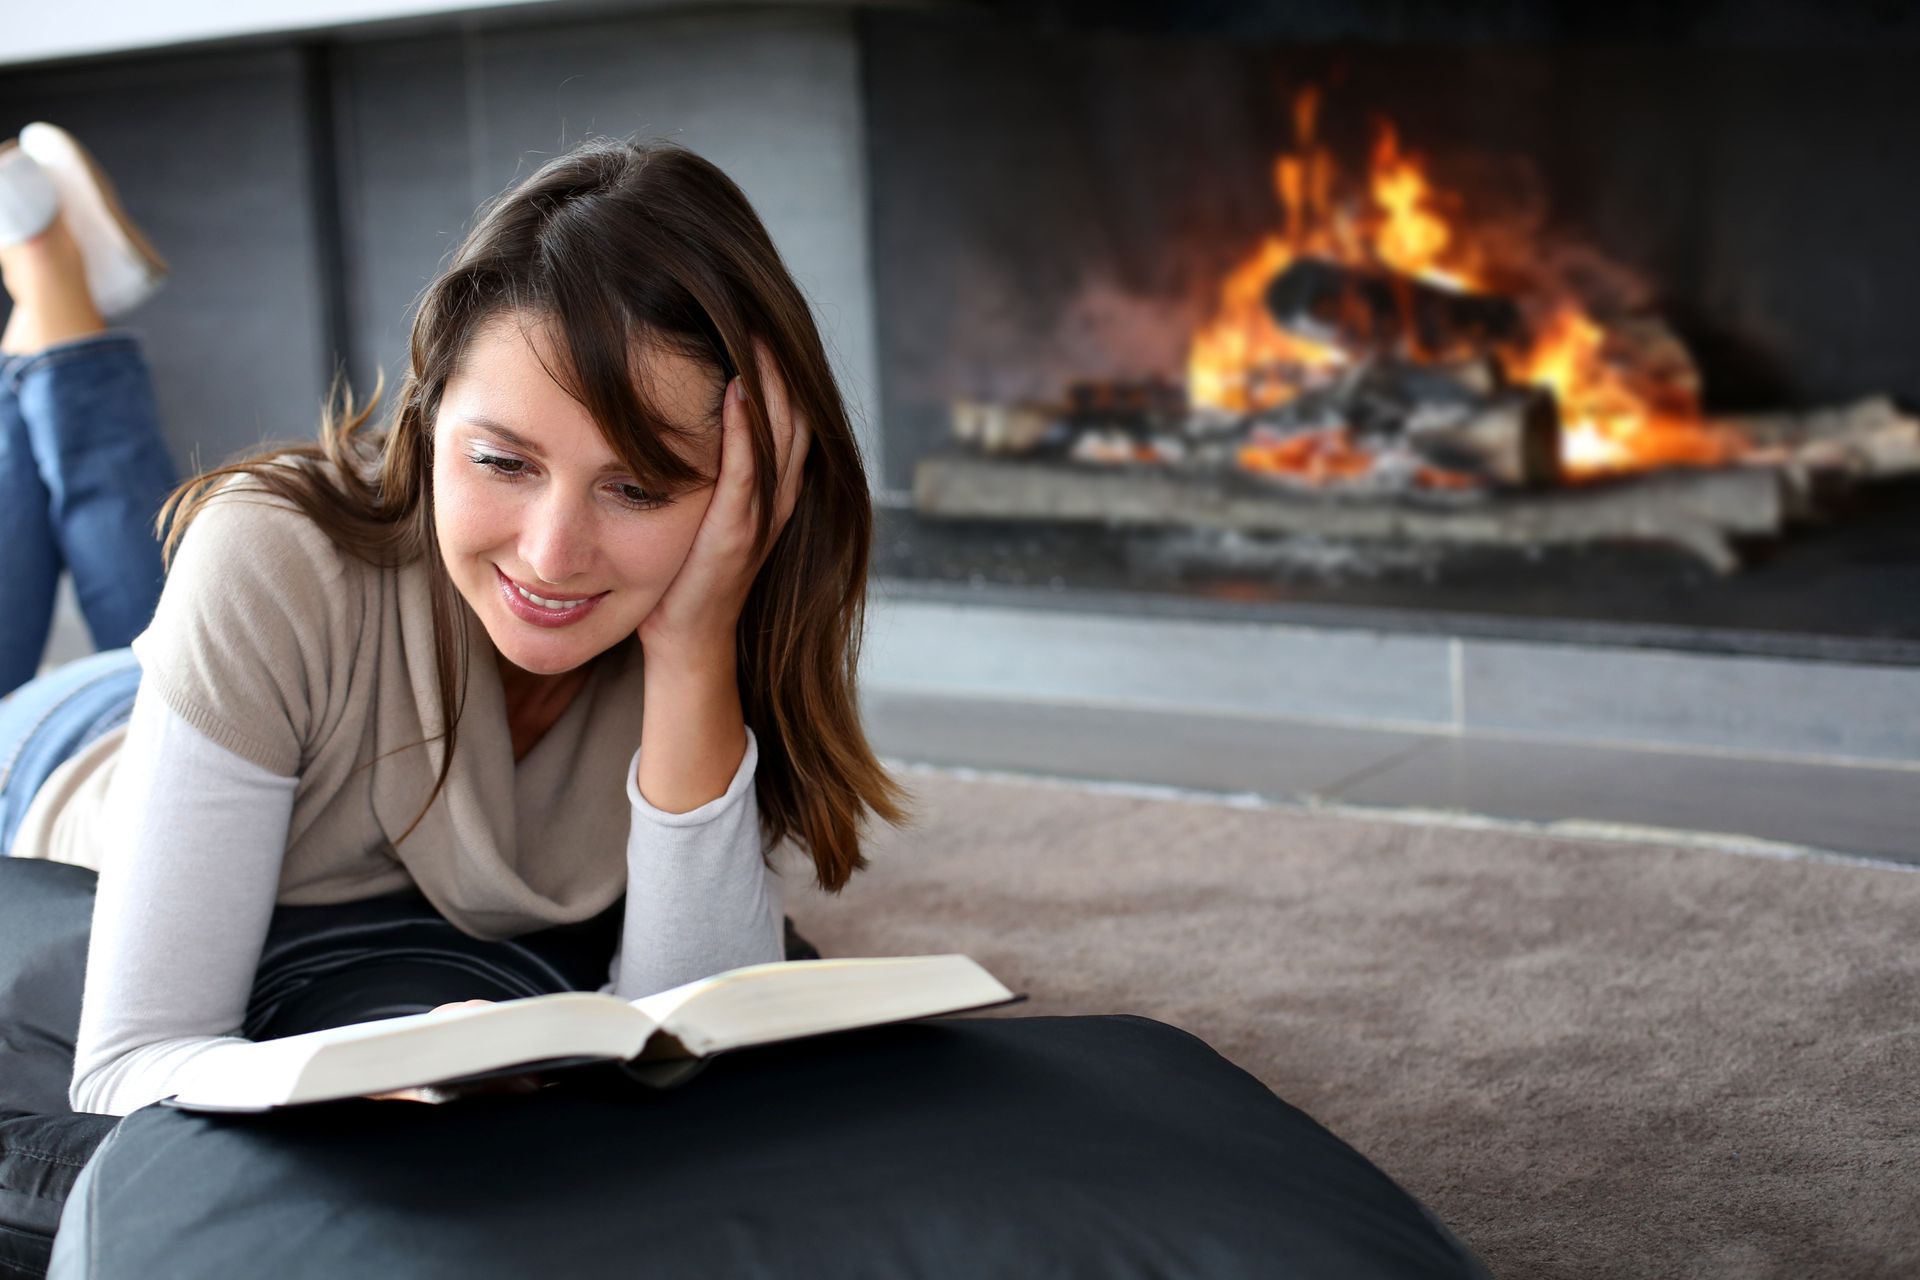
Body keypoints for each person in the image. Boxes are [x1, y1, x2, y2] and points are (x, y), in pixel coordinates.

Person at [0, 119, 906, 1260]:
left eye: (636, 486)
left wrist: (693, 648)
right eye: (503, 461)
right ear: (430, 418)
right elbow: (128, 1064)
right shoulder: (278, 563)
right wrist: (369, 1078)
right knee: (144, 565)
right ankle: (42, 267)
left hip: (284, 675)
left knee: (136, 566)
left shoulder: (709, 603)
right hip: (74, 751)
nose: (552, 552)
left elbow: (691, 1036)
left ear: (742, 493)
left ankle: (43, 277)